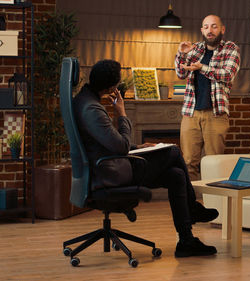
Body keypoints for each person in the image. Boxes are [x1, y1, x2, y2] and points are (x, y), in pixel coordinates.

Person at [73, 59, 219, 257]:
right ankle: (192, 208)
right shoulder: (92, 110)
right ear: (111, 87)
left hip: (108, 166)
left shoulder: (84, 100)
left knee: (176, 175)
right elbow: (121, 146)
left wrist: (138, 147)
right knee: (174, 152)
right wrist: (122, 113)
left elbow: (109, 144)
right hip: (112, 173)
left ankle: (186, 240)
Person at [175, 14, 241, 180]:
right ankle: (190, 204)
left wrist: (201, 68)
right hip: (191, 113)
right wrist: (181, 54)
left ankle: (214, 204)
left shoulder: (231, 49)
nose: (210, 30)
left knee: (214, 162)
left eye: (214, 26)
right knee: (188, 161)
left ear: (222, 29)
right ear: (202, 30)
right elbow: (181, 73)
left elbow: (227, 75)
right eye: (206, 27)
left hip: (216, 114)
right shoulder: (195, 49)